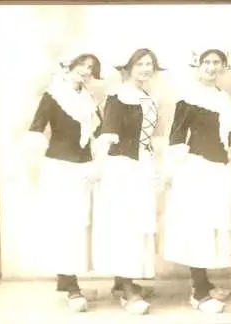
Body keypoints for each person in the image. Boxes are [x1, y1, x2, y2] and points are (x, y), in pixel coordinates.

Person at [24, 48, 102, 312]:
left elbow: (99, 131)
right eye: (81, 64)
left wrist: (100, 156)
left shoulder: (89, 98)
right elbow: (36, 129)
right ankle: (71, 285)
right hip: (59, 168)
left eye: (90, 67)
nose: (85, 70)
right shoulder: (53, 95)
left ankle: (67, 278)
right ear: (70, 64)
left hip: (84, 167)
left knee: (80, 225)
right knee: (64, 225)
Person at [90, 47, 164, 315]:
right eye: (140, 63)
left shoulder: (147, 97)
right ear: (128, 67)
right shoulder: (117, 97)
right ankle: (127, 288)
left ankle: (124, 283)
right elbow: (108, 133)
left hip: (142, 164)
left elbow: (149, 137)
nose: (145, 68)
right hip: (120, 167)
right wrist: (98, 167)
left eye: (149, 64)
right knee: (125, 225)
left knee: (138, 224)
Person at [161, 46, 231, 314]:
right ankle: (198, 291)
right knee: (198, 226)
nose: (212, 67)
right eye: (207, 62)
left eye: (217, 62)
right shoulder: (189, 96)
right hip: (195, 168)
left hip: (218, 168)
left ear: (224, 67)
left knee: (212, 226)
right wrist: (174, 169)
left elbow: (226, 138)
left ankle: (204, 280)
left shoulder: (224, 98)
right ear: (198, 65)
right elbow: (177, 135)